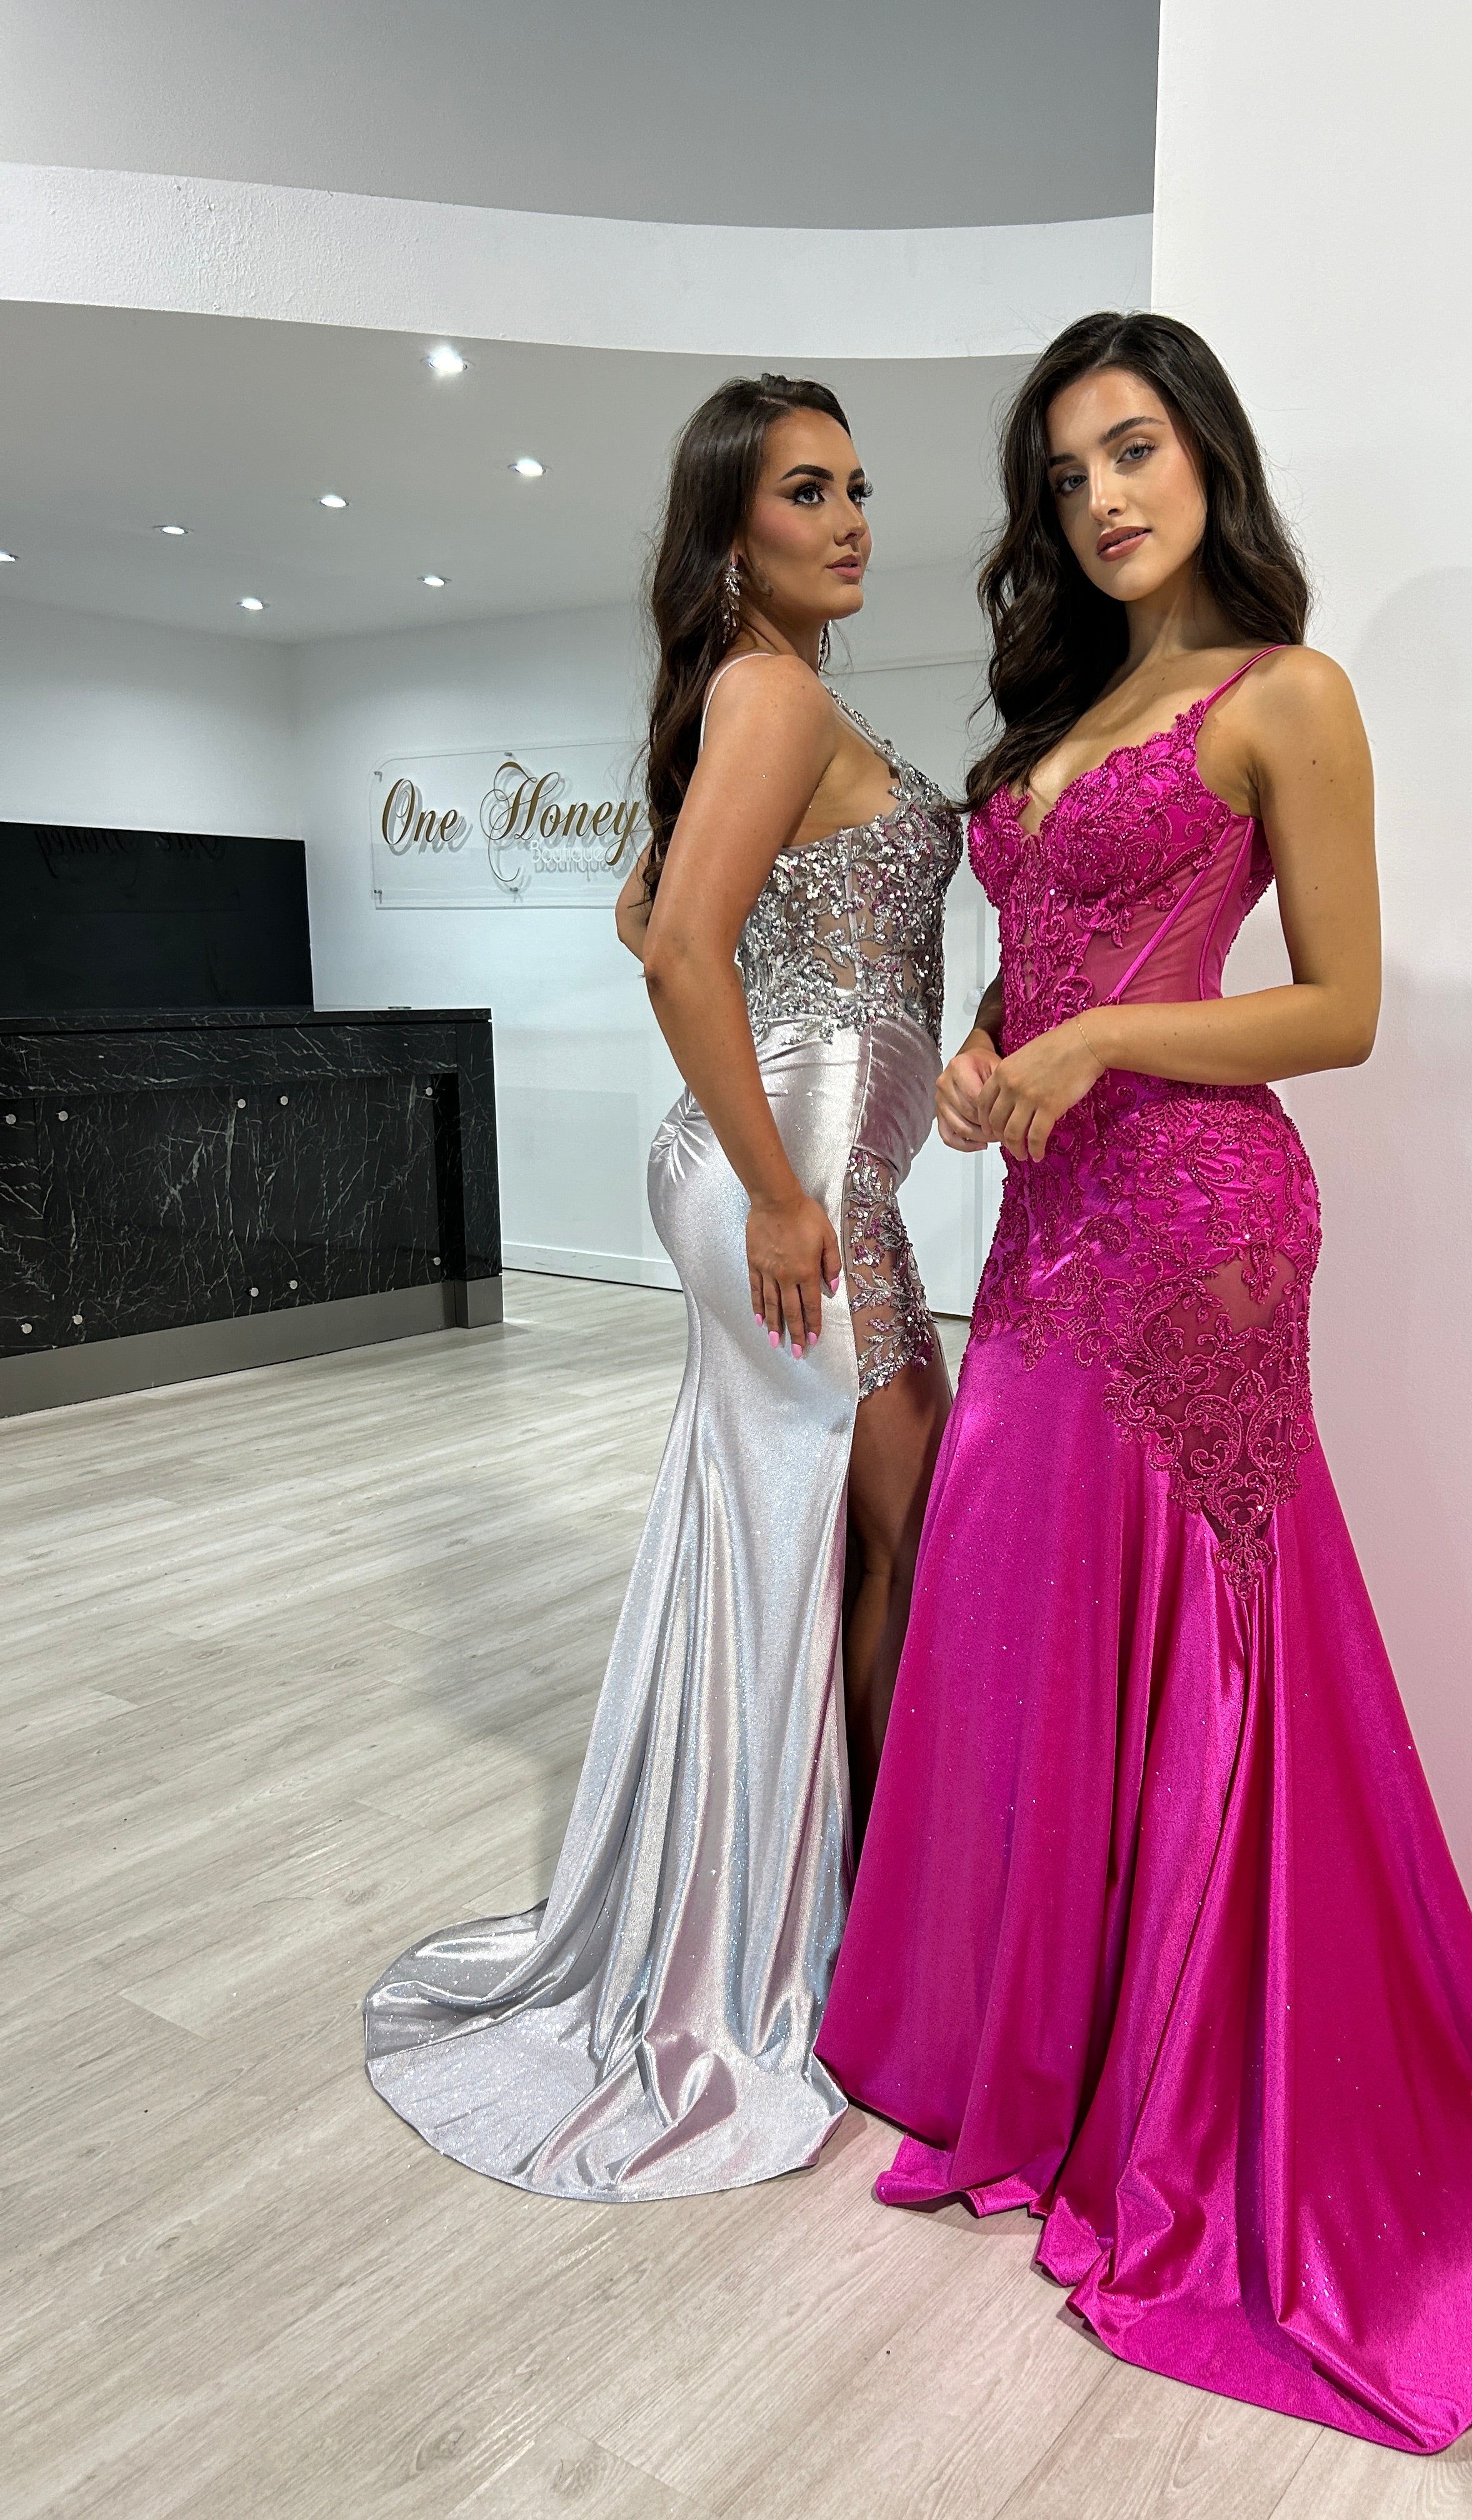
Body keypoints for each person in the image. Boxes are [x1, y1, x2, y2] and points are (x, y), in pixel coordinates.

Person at [814, 314, 1472, 2449]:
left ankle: (1209, 2086)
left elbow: (1339, 1008)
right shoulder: (1076, 706)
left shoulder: (1290, 699)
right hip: (1052, 1215)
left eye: (1134, 449)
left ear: (1207, 455)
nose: (1103, 498)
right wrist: (994, 1064)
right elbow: (1042, 972)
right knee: (1028, 1610)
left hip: (1207, 1232)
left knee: (1209, 1640)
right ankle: (1047, 2058)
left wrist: (1103, 1047)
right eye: (1068, 473)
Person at [364, 374, 960, 2200]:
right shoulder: (771, 691)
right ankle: (836, 1938)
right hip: (801, 1185)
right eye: (807, 492)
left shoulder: (753, 699)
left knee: (848, 1531)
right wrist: (786, 1196)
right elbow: (679, 951)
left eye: (859, 487)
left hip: (806, 1166)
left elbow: (659, 912)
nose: (853, 518)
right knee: (883, 1531)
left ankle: (823, 1902)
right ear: (732, 533)